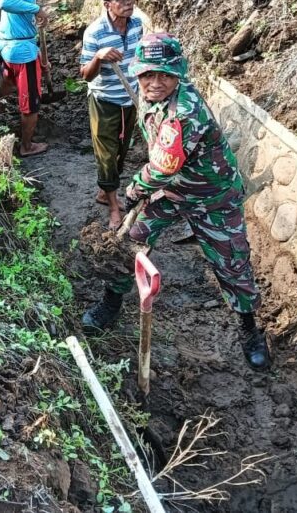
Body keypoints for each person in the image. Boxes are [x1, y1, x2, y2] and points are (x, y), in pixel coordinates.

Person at [81, 33, 272, 372]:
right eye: (147, 74)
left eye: (164, 75)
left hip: (212, 195)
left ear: (177, 75)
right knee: (130, 242)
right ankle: (110, 302)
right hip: (170, 191)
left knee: (231, 260)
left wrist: (133, 190)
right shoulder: (152, 98)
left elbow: (163, 166)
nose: (154, 83)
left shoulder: (185, 112)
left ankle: (249, 330)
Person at [79, 0, 144, 231]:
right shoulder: (95, 33)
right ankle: (114, 208)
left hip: (130, 100)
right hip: (104, 100)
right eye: (122, 0)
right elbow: (85, 75)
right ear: (108, 4)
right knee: (106, 154)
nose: (128, 3)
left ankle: (104, 190)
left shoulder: (137, 25)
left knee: (122, 150)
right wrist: (99, 56)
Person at [0, 0, 52, 158]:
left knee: (8, 83)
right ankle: (26, 146)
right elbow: (4, 2)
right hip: (22, 54)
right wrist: (37, 9)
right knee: (31, 104)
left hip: (10, 48)